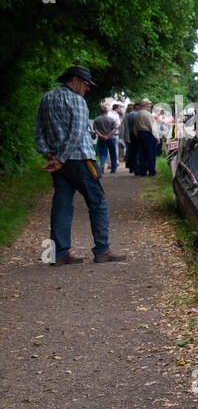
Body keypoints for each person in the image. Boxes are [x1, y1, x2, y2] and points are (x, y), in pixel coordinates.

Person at [34, 65, 125, 264]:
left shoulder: (45, 99)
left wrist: (50, 156)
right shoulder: (77, 100)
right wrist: (60, 158)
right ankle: (102, 249)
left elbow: (38, 133)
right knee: (97, 202)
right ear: (75, 80)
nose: (88, 88)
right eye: (86, 84)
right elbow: (76, 133)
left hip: (59, 164)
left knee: (61, 205)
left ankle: (58, 254)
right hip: (81, 160)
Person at [131, 100, 158, 176]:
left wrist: (137, 135)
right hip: (148, 134)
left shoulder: (137, 114)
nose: (150, 105)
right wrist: (157, 137)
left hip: (140, 134)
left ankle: (143, 171)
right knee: (150, 153)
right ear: (146, 105)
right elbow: (152, 126)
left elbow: (135, 127)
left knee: (142, 154)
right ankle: (151, 171)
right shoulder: (148, 114)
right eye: (149, 104)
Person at [92, 101, 119, 174]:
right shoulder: (111, 119)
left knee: (103, 153)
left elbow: (95, 129)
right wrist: (108, 136)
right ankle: (113, 169)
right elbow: (115, 129)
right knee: (113, 153)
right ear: (107, 111)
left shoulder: (97, 119)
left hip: (101, 139)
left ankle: (102, 164)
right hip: (111, 138)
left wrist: (101, 135)